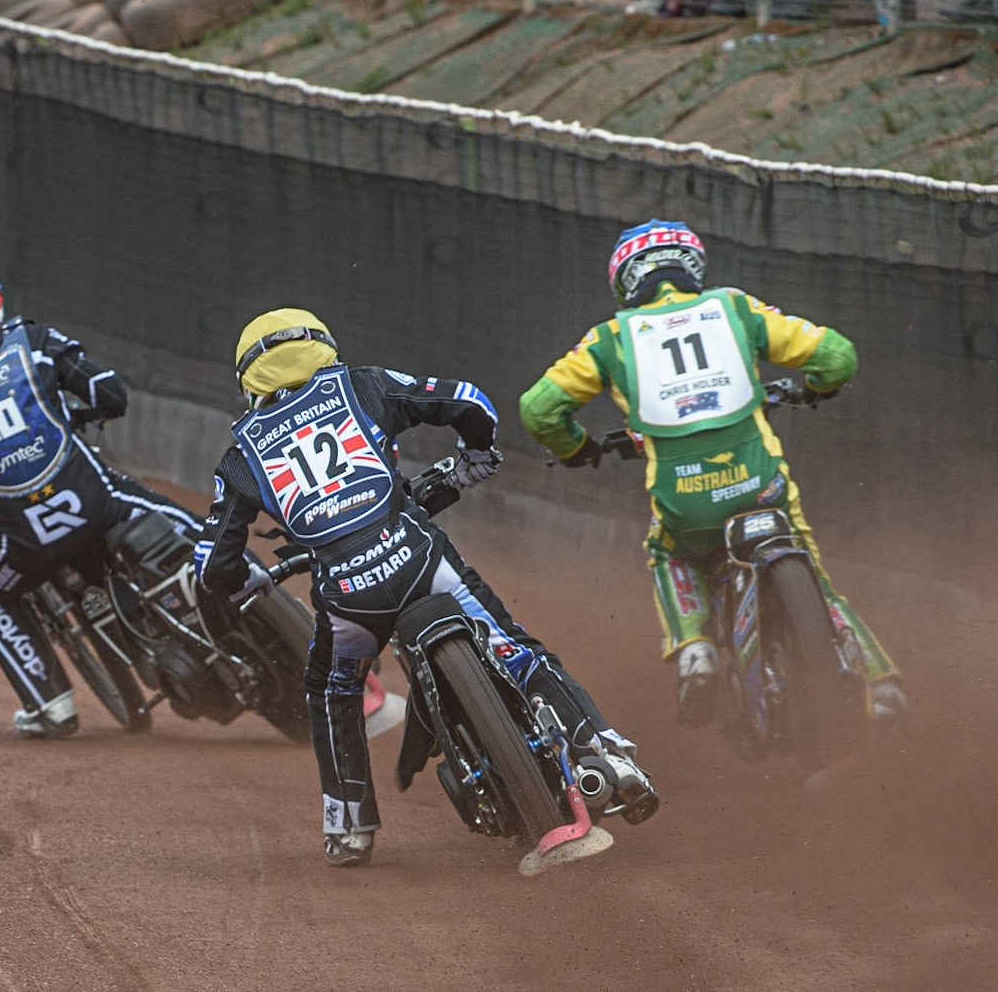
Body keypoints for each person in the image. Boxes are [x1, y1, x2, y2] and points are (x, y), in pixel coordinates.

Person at [195, 309, 658, 869]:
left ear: (250, 379)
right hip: (418, 558)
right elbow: (468, 401)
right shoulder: (361, 384)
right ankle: (608, 751)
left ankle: (349, 825)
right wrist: (475, 460)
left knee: (332, 692)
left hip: (347, 599)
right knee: (517, 650)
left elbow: (212, 564)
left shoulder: (241, 453)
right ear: (323, 348)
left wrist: (251, 581)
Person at [519, 220, 907, 729]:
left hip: (688, 506)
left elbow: (538, 409)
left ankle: (694, 648)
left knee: (666, 553)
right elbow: (837, 357)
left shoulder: (611, 338)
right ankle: (881, 683)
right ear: (693, 266)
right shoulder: (734, 308)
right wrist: (815, 388)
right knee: (818, 578)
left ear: (625, 280)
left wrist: (576, 448)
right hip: (760, 487)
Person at [0, 247, 200, 737]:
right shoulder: (30, 339)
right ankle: (264, 597)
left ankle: (51, 702)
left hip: (23, 540)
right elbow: (110, 394)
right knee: (205, 535)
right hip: (99, 503)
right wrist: (76, 416)